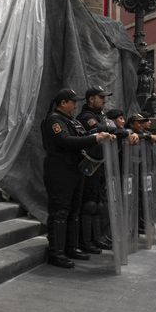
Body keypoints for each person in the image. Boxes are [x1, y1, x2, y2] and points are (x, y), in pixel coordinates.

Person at [41, 88, 113, 268]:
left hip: (76, 169)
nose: (75, 105)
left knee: (74, 211)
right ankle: (56, 252)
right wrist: (94, 138)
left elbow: (81, 137)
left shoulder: (71, 120)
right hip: (60, 171)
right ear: (63, 103)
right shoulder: (53, 120)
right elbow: (65, 140)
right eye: (72, 102)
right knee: (60, 212)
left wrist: (97, 137)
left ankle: (71, 247)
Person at [76, 86, 115, 252]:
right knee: (89, 203)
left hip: (100, 164)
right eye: (101, 97)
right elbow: (101, 129)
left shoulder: (100, 116)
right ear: (91, 99)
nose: (104, 100)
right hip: (89, 165)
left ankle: (97, 237)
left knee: (98, 203)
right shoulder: (86, 117)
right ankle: (86, 241)